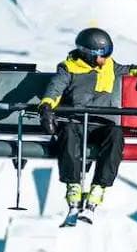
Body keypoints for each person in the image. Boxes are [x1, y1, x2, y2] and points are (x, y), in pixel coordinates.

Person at [34, 27, 131, 219]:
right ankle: (73, 186)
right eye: (102, 54)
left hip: (101, 125)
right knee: (67, 132)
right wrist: (46, 106)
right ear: (88, 54)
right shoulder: (69, 68)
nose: (106, 58)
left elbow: (129, 69)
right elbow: (55, 89)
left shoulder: (109, 65)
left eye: (108, 53)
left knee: (116, 134)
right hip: (76, 123)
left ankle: (98, 188)